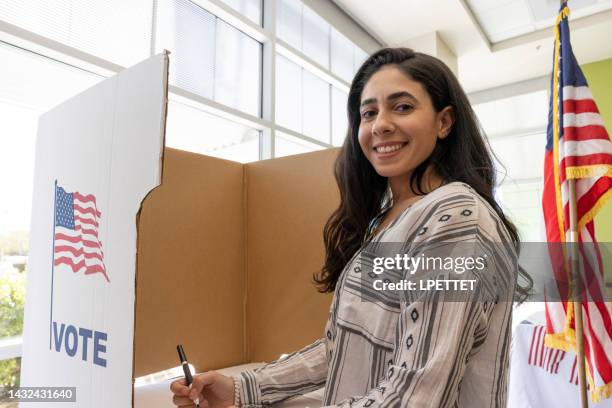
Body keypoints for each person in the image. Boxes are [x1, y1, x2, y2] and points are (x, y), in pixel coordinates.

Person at [170, 47, 531, 408]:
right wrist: (241, 389)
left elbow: (416, 396)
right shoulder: (389, 219)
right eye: (368, 112)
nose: (380, 125)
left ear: (444, 121)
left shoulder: (455, 219)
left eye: (402, 107)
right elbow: (343, 347)